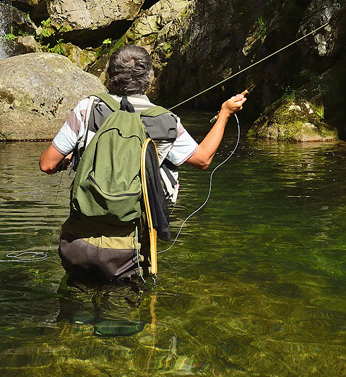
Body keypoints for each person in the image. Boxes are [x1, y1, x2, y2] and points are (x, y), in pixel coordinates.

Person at [39, 44, 246, 284]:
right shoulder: (166, 120)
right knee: (122, 315)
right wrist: (224, 114)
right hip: (129, 249)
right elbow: (202, 160)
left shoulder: (87, 108)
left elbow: (47, 164)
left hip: (78, 242)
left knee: (74, 309)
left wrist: (68, 161)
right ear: (149, 78)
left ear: (110, 75)